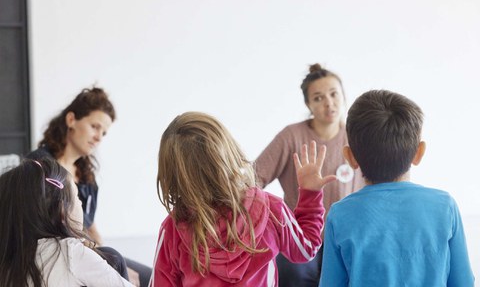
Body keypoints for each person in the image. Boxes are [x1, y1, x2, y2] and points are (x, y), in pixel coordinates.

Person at [150, 111, 336, 286]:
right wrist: (310, 194)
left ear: (172, 173)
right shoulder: (271, 208)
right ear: (229, 153)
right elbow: (306, 250)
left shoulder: (172, 229)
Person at [319, 90, 475, 286]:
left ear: (350, 157)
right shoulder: (445, 206)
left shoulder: (340, 214)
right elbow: (463, 282)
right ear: (419, 153)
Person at [26, 87, 152, 287]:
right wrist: (110, 267)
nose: (99, 137)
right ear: (71, 120)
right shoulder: (40, 165)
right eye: (95, 126)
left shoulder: (86, 173)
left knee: (151, 277)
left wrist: (105, 253)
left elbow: (88, 223)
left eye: (104, 132)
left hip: (89, 252)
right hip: (61, 258)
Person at [255, 63, 364, 286]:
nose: (329, 103)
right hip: (299, 236)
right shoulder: (291, 136)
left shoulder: (356, 138)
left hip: (346, 237)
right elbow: (254, 179)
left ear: (343, 96)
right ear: (308, 104)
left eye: (334, 94)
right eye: (318, 98)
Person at [0, 158, 134, 287]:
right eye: (77, 196)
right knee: (113, 257)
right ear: (62, 210)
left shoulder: (7, 262)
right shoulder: (70, 253)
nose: (80, 203)